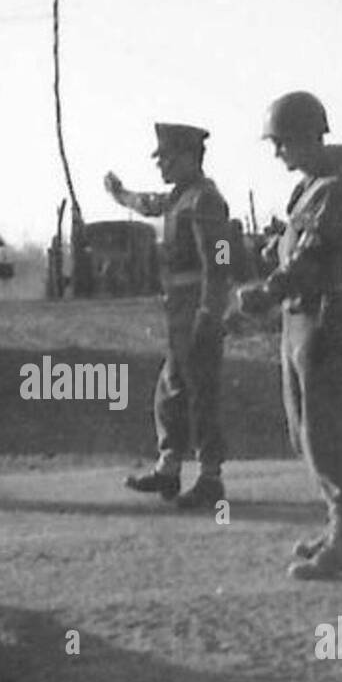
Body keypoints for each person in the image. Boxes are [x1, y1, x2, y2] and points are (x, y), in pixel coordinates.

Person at [238, 92, 342, 578]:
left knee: (325, 429)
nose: (278, 153)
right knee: (304, 432)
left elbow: (309, 262)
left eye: (282, 142)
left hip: (323, 321)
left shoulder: (334, 189)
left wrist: (265, 291)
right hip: (298, 322)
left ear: (309, 135)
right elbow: (290, 248)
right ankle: (337, 530)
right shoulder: (307, 191)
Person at [104, 123, 231, 508]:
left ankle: (210, 479)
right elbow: (152, 204)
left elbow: (220, 260)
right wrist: (121, 195)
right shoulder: (183, 197)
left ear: (189, 158)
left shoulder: (205, 200)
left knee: (200, 393)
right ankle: (169, 469)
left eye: (167, 158)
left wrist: (210, 312)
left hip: (197, 308)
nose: (161, 165)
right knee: (171, 391)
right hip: (180, 307)